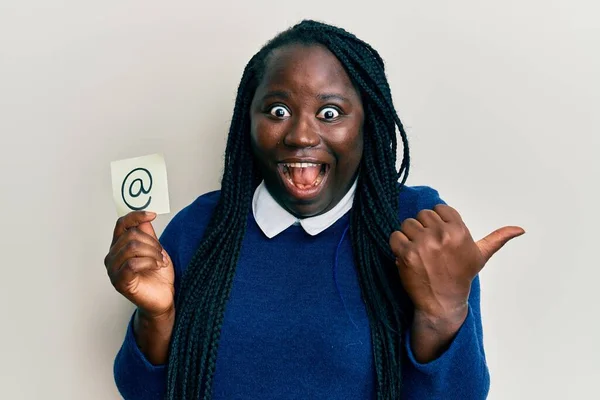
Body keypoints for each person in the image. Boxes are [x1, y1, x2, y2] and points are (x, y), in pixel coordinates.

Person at [105, 20, 524, 400]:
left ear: (367, 123)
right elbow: (146, 394)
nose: (301, 134)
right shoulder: (200, 229)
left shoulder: (417, 226)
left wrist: (443, 313)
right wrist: (156, 316)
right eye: (278, 111)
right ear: (246, 122)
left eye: (330, 113)